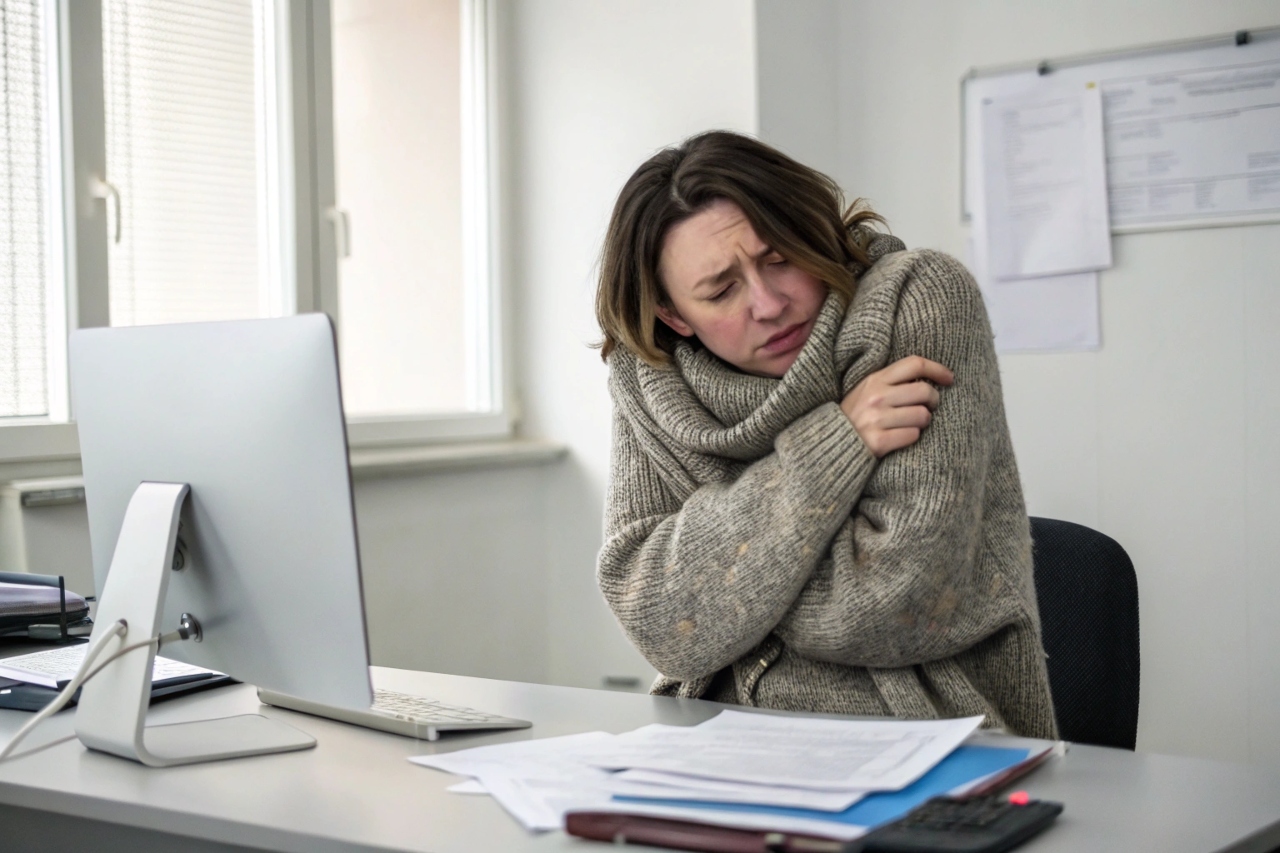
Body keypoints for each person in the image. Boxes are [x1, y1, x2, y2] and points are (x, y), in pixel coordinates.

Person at [593, 131, 1057, 739]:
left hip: (923, 737)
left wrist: (721, 598)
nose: (769, 302)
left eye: (779, 256)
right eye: (721, 290)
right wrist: (833, 445)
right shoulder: (650, 375)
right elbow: (656, 620)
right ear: (674, 316)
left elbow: (893, 604)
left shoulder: (918, 301)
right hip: (709, 742)